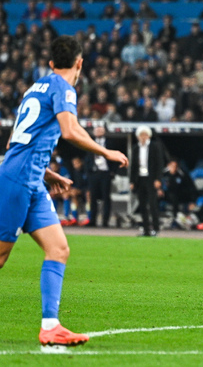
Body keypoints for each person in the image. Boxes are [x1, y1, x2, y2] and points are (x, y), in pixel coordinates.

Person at [0, 36, 128, 347]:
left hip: (30, 179)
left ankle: (50, 327)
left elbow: (15, 144)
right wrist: (106, 152)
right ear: (80, 63)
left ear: (52, 63)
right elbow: (70, 130)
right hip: (18, 181)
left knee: (59, 249)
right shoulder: (62, 88)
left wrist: (48, 173)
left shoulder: (36, 87)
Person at [130, 126, 164, 237]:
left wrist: (158, 179)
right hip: (140, 179)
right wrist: (132, 181)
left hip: (151, 178)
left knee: (153, 204)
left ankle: (156, 228)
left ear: (148, 135)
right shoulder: (136, 148)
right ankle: (146, 229)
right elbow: (133, 166)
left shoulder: (154, 147)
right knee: (142, 205)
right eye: (141, 135)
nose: (143, 137)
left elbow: (159, 163)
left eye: (145, 135)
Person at [85, 126, 115, 227]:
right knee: (93, 198)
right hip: (94, 173)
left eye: (100, 130)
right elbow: (87, 157)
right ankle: (92, 220)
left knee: (106, 197)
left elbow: (114, 157)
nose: (98, 132)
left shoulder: (110, 143)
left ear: (104, 131)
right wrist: (88, 172)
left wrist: (112, 172)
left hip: (105, 173)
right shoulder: (90, 142)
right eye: (96, 130)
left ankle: (105, 221)